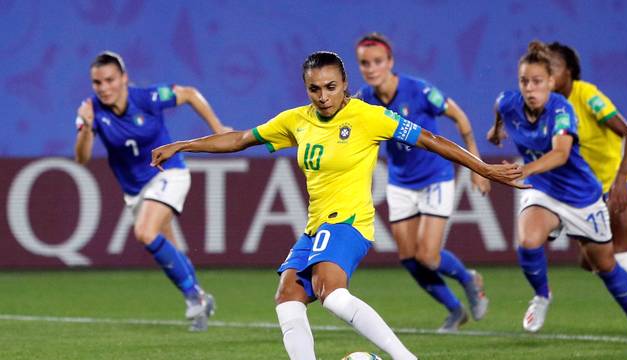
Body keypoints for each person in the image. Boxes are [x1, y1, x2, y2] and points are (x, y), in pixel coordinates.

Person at [151, 51, 526, 359]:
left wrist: (483, 168)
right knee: (287, 297)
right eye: (314, 89)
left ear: (345, 85)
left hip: (349, 222)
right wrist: (183, 145)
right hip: (316, 227)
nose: (323, 96)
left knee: (331, 293)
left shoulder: (367, 116)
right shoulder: (295, 121)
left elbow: (430, 139)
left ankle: (405, 357)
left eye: (331, 87)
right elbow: (239, 140)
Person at [487, 40, 627, 335]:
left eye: (538, 81)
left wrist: (524, 169)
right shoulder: (508, 103)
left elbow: (561, 154)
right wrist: (496, 131)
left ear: (552, 81)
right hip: (543, 189)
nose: (530, 88)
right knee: (528, 241)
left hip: (581, 195)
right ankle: (542, 296)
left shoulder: (563, 108)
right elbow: (500, 108)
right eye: (524, 81)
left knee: (605, 264)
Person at [74, 51, 229, 331]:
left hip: (168, 173)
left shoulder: (146, 98)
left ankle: (195, 299)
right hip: (135, 192)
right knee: (171, 250)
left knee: (145, 232)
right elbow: (82, 158)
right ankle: (199, 298)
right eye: (97, 83)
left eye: (110, 80)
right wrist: (85, 127)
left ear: (124, 79)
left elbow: (191, 94)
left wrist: (218, 129)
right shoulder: (91, 111)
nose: (104, 88)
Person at [355, 32, 490, 332]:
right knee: (408, 258)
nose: (371, 68)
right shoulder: (364, 98)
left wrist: (477, 167)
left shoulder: (420, 90)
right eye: (364, 63)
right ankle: (455, 311)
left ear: (390, 62)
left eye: (377, 61)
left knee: (428, 255)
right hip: (401, 181)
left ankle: (469, 279)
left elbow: (461, 119)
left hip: (435, 176)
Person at [547, 41, 627, 303]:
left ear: (570, 71)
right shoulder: (550, 107)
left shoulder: (587, 95)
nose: (549, 72)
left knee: (619, 255)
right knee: (590, 261)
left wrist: (621, 181)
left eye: (555, 65)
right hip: (596, 191)